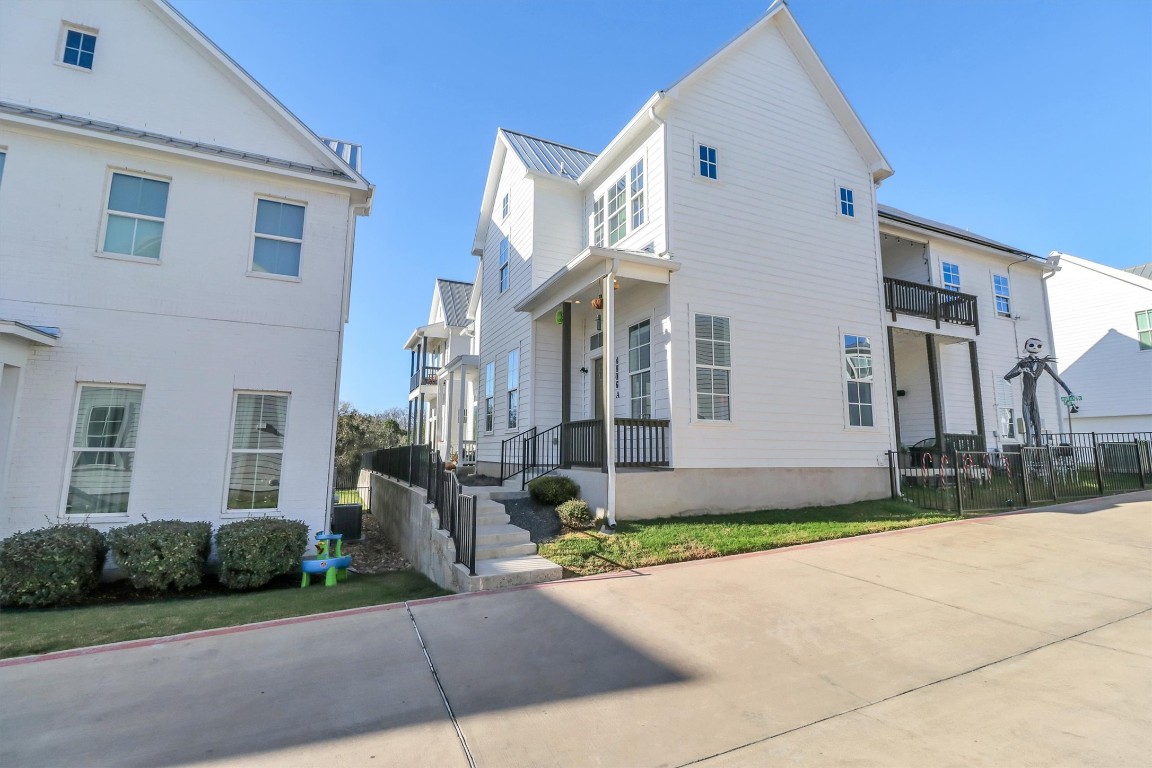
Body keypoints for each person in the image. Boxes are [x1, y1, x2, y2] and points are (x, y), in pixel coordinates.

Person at [1003, 337, 1075, 446]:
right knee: (1027, 421)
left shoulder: (1042, 363)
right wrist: (1021, 370)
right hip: (1026, 396)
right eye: (1032, 345)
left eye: (1039, 346)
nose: (1035, 347)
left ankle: (1039, 447)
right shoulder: (1024, 362)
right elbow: (1007, 376)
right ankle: (1029, 446)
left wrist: (1069, 391)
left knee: (1037, 421)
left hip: (1033, 396)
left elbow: (1056, 378)